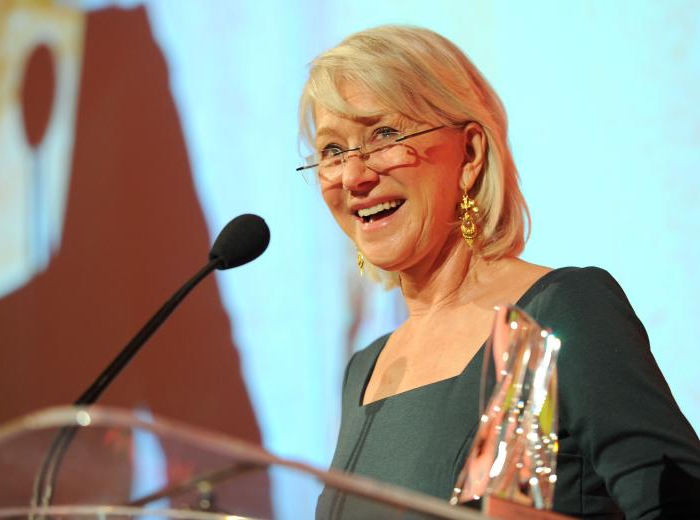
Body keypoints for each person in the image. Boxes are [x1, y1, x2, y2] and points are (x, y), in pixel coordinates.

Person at [296, 25, 700, 519]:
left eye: (384, 135)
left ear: (469, 154)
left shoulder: (559, 310)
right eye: (332, 151)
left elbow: (679, 505)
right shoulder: (365, 369)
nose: (354, 176)